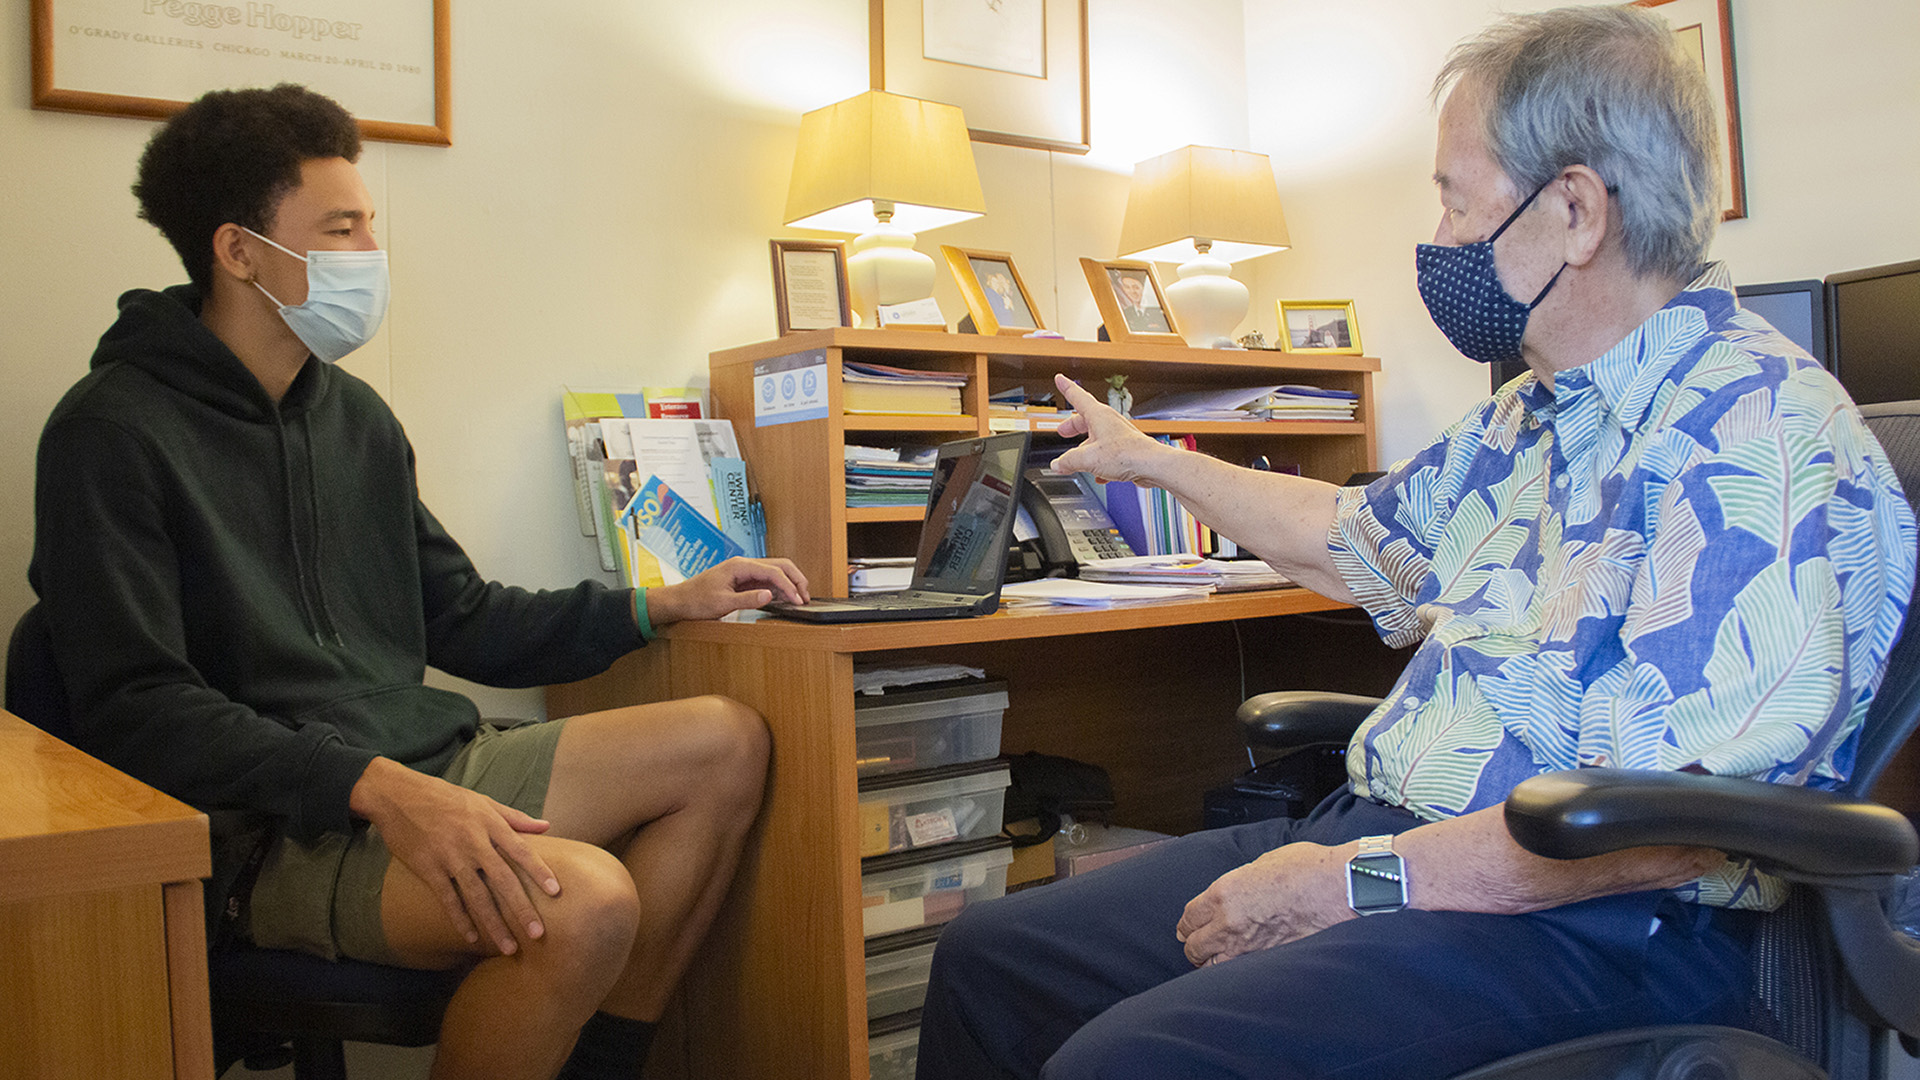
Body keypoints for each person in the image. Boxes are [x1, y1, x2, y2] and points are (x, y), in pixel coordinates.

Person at [916, 8, 1917, 1079]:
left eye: (1453, 196)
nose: (1438, 238)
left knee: (1128, 1063)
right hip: (1398, 844)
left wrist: (1344, 883)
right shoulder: (1529, 417)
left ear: (1574, 210)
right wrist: (1149, 458)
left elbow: (1663, 829)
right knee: (993, 957)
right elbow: (1350, 539)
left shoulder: (1760, 439)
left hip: (1597, 923)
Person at [29, 84, 811, 1080]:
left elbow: (463, 618)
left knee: (725, 741)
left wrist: (663, 602)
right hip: (274, 826)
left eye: (369, 226)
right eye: (341, 227)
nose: (368, 253)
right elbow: (133, 708)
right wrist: (372, 786)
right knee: (588, 902)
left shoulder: (353, 418)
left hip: (418, 764)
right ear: (240, 252)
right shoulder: (111, 430)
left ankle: (594, 1067)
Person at [1110, 268, 1170, 333]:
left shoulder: (1160, 313)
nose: (1132, 291)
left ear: (1144, 288)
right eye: (1127, 287)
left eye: (1136, 287)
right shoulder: (1125, 313)